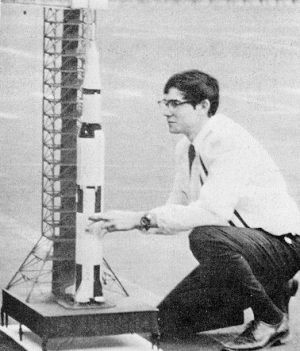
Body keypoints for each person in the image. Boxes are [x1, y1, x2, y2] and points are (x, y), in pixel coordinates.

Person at [89, 70, 300, 351]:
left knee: (205, 236)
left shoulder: (228, 141)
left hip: (282, 245)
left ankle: (270, 319)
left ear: (203, 106)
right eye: (164, 103)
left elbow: (212, 213)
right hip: (247, 244)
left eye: (175, 104)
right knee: (164, 323)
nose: (166, 111)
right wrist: (129, 221)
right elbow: (177, 209)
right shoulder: (186, 147)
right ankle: (275, 286)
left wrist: (140, 219)